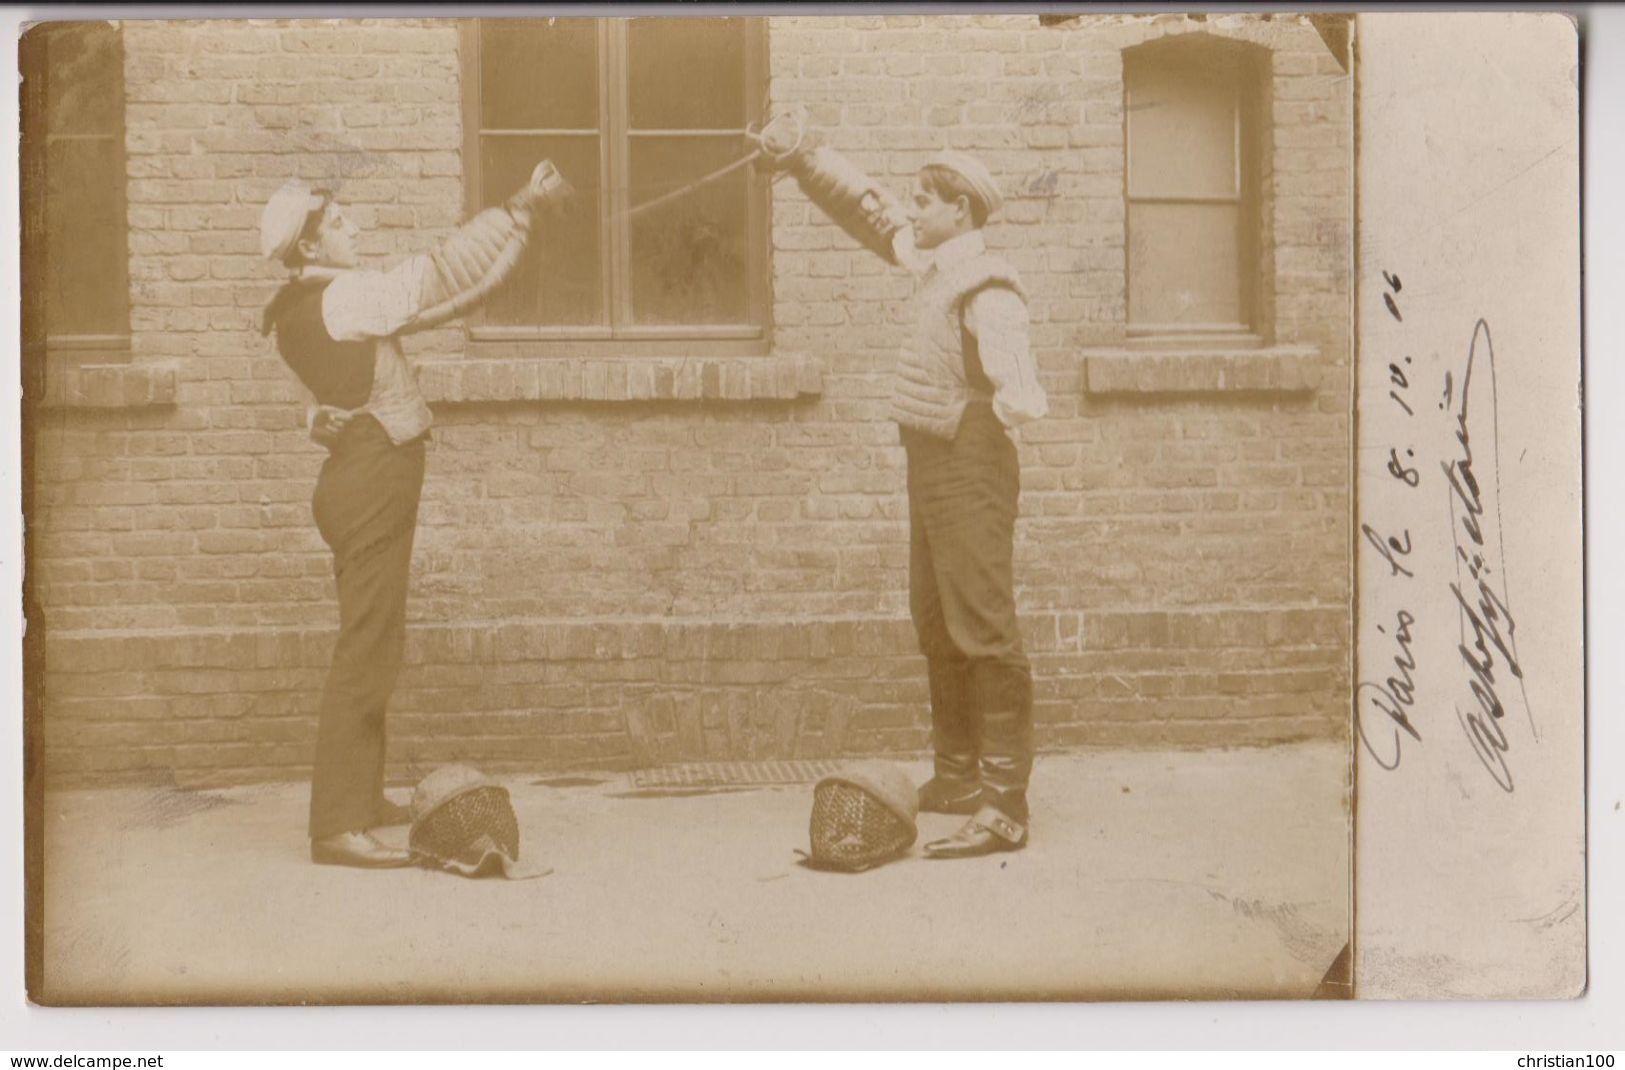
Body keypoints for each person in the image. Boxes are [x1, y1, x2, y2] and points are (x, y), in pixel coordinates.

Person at [258, 160, 568, 868]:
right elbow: (438, 272)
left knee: (378, 640)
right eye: (337, 223)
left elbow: (341, 375)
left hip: (365, 478)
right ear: (308, 249)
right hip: (370, 483)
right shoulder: (342, 298)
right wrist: (513, 208)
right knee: (364, 649)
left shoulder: (311, 303)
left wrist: (315, 419)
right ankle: (335, 827)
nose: (353, 227)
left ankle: (360, 799)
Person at [757, 130, 1049, 858]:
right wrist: (803, 156)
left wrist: (980, 443)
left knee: (982, 626)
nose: (912, 212)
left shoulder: (988, 288)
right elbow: (873, 214)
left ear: (959, 210)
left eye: (925, 202)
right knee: (935, 619)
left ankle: (1005, 807)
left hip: (971, 458)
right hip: (931, 457)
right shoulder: (933, 264)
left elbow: (1020, 397)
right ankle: (957, 777)